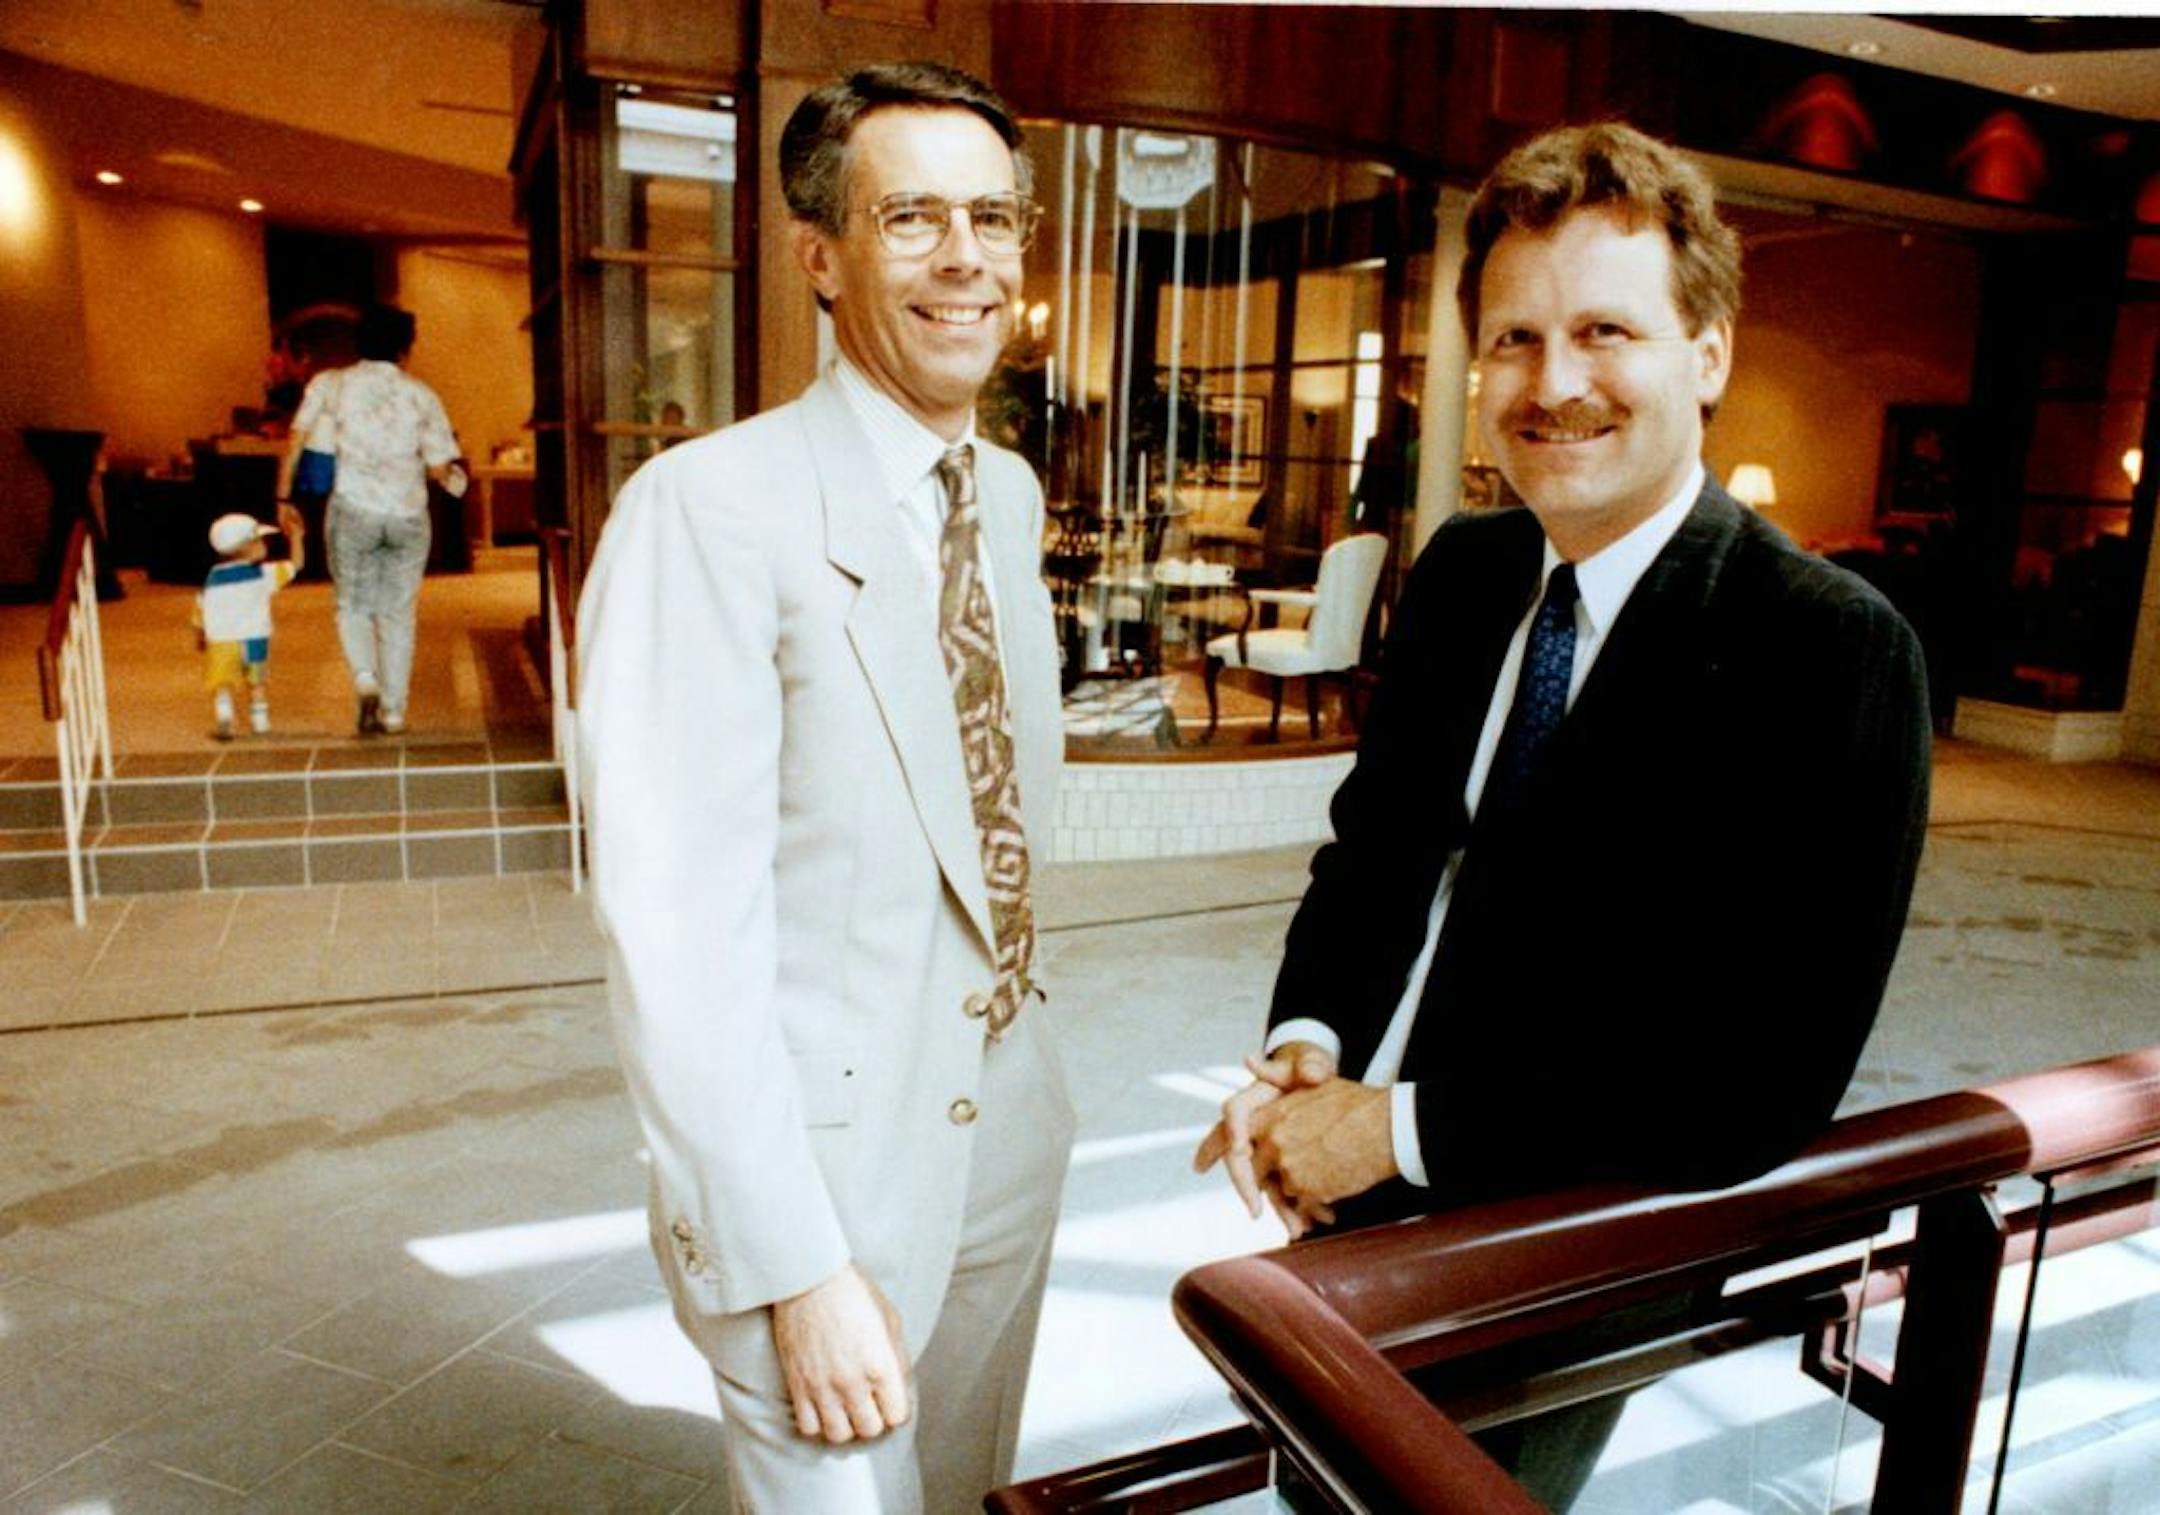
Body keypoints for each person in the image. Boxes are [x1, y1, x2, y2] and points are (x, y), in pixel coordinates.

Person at [1195, 121, 1932, 1509]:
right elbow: (1381, 849)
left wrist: (1398, 1127)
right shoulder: (1471, 571)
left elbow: (1757, 1079)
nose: (1555, 383)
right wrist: (1312, 1042)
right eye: (1516, 340)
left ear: (1706, 353)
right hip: (1379, 1200)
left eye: (1607, 330)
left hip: (1578, 1240)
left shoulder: (1829, 649)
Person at [576, 62, 1070, 1515]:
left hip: (1007, 1131)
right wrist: (795, 1263)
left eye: (993, 216)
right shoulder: (706, 510)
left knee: (971, 1493)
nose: (966, 256)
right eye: (912, 216)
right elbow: (677, 940)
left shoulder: (1013, 494)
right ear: (819, 257)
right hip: (823, 1180)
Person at [276, 303, 462, 736]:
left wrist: (284, 496)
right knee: (398, 613)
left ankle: (364, 677)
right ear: (405, 349)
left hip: (353, 509)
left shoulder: (329, 384)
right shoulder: (422, 395)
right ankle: (394, 712)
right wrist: (456, 480)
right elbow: (438, 468)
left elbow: (296, 439)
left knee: (352, 604)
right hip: (408, 514)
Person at [196, 506, 305, 739]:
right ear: (246, 547)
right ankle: (260, 722)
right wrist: (296, 537)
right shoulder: (262, 575)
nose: (265, 545)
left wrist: (200, 636)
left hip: (221, 641)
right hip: (255, 638)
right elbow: (296, 565)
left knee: (222, 683)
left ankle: (225, 716)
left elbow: (200, 609)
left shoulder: (212, 578)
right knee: (257, 683)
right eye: (260, 540)